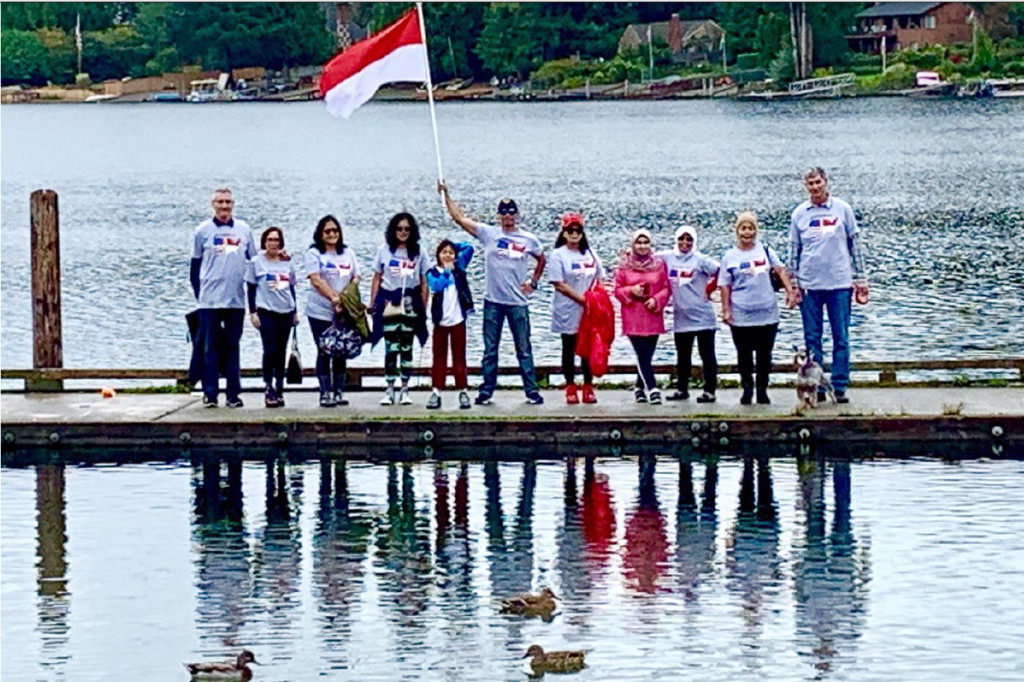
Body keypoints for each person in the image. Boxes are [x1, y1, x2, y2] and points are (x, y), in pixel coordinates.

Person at [439, 182, 546, 405]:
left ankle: (532, 391)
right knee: (490, 350)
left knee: (524, 349)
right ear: (499, 216)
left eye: (511, 213)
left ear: (517, 215)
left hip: (518, 302)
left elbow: (542, 259)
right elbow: (460, 219)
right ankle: (487, 390)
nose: (508, 217)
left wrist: (533, 283)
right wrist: (446, 194)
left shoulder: (528, 239)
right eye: (504, 213)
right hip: (493, 302)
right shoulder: (489, 234)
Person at [789, 167, 868, 404]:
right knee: (812, 339)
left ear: (826, 182)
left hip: (840, 284)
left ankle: (840, 385)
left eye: (818, 182)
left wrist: (861, 278)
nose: (815, 187)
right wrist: (793, 283)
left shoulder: (843, 209)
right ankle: (817, 386)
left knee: (840, 336)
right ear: (806, 187)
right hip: (810, 285)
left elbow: (855, 245)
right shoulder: (799, 214)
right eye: (810, 183)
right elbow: (794, 250)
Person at [719, 211, 799, 405]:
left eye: (751, 228)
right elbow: (724, 285)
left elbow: (780, 270)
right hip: (741, 314)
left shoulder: (765, 250)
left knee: (764, 355)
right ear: (737, 231)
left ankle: (762, 390)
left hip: (767, 313)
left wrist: (790, 291)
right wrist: (726, 310)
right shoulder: (730, 256)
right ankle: (747, 389)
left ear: (756, 230)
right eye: (743, 228)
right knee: (744, 355)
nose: (747, 232)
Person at [190, 187, 257, 408]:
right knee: (210, 348)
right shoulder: (202, 231)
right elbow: (195, 267)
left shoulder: (244, 230)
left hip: (235, 299)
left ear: (233, 204)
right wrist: (200, 295)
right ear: (213, 205)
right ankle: (210, 394)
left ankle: (233, 394)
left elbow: (255, 263)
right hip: (209, 300)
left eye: (228, 202)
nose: (224, 206)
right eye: (220, 202)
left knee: (232, 346)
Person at [370, 212, 429, 406]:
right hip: (389, 301)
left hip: (410, 302)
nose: (403, 232)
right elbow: (377, 277)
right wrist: (373, 304)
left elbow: (424, 280)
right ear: (393, 230)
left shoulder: (419, 252)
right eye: (399, 229)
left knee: (406, 347)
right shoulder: (384, 250)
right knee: (390, 348)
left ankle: (405, 387)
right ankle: (389, 388)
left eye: (407, 229)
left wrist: (424, 306)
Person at [659, 225, 720, 403]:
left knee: (707, 354)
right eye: (681, 239)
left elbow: (722, 270)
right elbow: (646, 257)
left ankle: (709, 391)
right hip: (681, 316)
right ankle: (682, 389)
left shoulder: (701, 260)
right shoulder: (667, 257)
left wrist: (711, 288)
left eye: (689, 240)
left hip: (703, 314)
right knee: (683, 355)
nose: (685, 243)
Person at [304, 215, 359, 407]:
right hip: (320, 310)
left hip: (343, 311)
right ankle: (324, 392)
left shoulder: (348, 252)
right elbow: (316, 279)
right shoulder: (314, 253)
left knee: (342, 349)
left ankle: (338, 390)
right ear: (320, 233)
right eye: (328, 231)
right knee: (324, 349)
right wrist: (333, 297)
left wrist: (345, 298)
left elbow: (356, 277)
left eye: (335, 230)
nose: (332, 234)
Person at [549, 212, 603, 404]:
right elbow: (559, 283)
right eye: (570, 230)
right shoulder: (557, 255)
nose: (574, 234)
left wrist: (595, 300)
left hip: (589, 310)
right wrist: (581, 299)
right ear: (564, 233)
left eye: (577, 230)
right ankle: (570, 385)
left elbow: (600, 279)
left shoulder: (590, 254)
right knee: (569, 347)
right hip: (568, 307)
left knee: (588, 348)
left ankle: (588, 385)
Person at [614, 229, 671, 405]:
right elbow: (616, 290)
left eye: (646, 242)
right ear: (633, 245)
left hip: (652, 314)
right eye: (639, 242)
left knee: (648, 354)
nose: (642, 246)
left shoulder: (659, 265)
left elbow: (666, 288)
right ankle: (653, 388)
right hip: (633, 315)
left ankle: (639, 388)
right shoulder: (623, 267)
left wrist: (656, 299)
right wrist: (631, 290)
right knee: (641, 353)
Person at [245, 226, 297, 408]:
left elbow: (291, 288)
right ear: (264, 242)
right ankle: (268, 387)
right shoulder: (256, 262)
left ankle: (280, 387)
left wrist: (295, 311)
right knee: (270, 349)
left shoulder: (287, 262)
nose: (273, 243)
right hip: (266, 311)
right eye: (270, 240)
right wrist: (252, 312)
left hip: (286, 311)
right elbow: (251, 288)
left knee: (281, 351)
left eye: (276, 240)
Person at [425, 239, 475, 410]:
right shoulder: (433, 272)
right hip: (441, 322)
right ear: (438, 255)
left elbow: (469, 247)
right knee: (439, 358)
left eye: (450, 252)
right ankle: (436, 391)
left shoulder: (459, 269)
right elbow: (437, 286)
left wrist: (453, 244)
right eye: (444, 252)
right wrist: (447, 271)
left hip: (458, 320)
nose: (447, 255)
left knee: (459, 357)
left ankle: (463, 390)